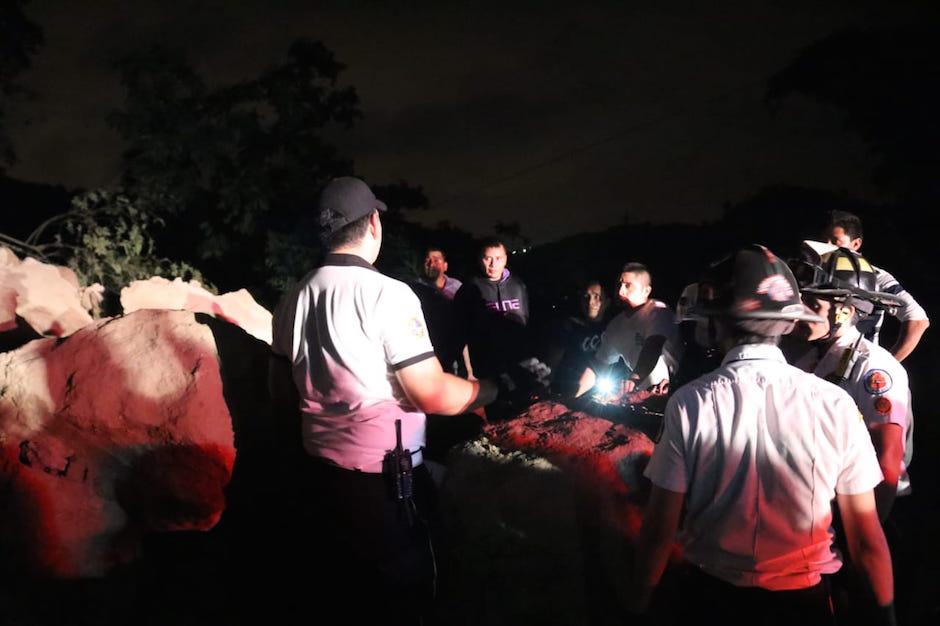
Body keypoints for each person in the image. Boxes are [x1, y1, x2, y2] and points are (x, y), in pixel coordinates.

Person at [269, 177, 496, 624]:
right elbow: (430, 392)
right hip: (387, 492)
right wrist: (488, 390)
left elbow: (279, 393)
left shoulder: (293, 298)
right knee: (405, 600)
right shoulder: (388, 295)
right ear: (374, 223)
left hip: (319, 482)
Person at [629, 245, 895, 626]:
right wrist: (886, 617)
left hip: (710, 602)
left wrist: (637, 607)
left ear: (718, 322)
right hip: (806, 606)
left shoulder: (690, 403)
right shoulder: (835, 404)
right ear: (787, 321)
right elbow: (867, 542)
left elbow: (659, 531)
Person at [792, 242, 912, 522]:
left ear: (844, 311)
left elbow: (887, 458)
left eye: (812, 304)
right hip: (825, 504)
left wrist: (865, 532)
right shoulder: (808, 362)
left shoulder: (875, 368)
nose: (800, 312)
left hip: (871, 508)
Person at [826, 210, 929, 361]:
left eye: (835, 241)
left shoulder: (875, 277)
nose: (827, 246)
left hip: (851, 366)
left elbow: (918, 320)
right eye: (823, 240)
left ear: (856, 243)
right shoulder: (810, 270)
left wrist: (887, 364)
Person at [575, 262, 678, 398]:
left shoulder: (658, 311)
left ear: (646, 291)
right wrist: (573, 396)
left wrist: (633, 379)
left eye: (628, 285)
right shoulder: (615, 325)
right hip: (643, 396)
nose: (620, 291)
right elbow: (599, 366)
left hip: (675, 391)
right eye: (619, 285)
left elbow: (652, 347)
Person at [453, 238, 530, 382]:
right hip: (484, 369)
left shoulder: (518, 285)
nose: (493, 264)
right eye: (488, 258)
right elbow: (460, 332)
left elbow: (526, 322)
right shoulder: (469, 289)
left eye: (498, 258)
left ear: (505, 259)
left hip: (518, 364)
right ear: (480, 260)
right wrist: (468, 371)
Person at [547, 279, 613, 396]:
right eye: (586, 297)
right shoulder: (570, 326)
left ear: (607, 302)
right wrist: (547, 383)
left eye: (597, 297)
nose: (590, 302)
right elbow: (553, 360)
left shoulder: (614, 329)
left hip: (597, 393)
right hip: (565, 390)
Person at [411, 247, 463, 372]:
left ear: (445, 266)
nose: (431, 264)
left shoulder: (458, 287)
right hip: (427, 349)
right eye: (427, 261)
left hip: (455, 348)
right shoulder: (414, 288)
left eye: (436, 260)